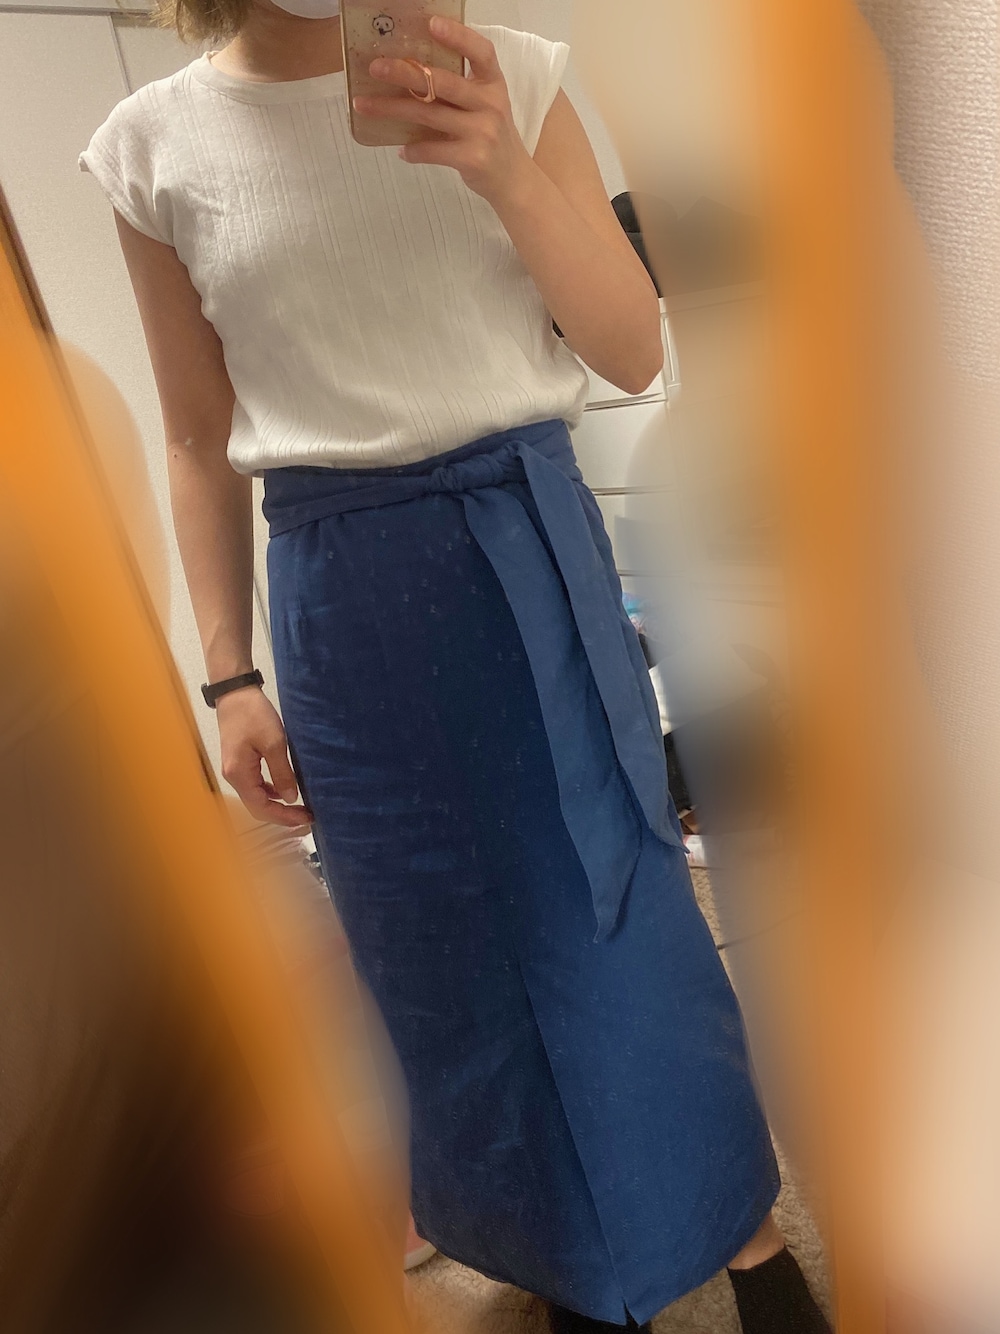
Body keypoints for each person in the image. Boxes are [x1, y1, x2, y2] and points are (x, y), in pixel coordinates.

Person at [81, 4, 831, 1329]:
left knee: (620, 922)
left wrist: (504, 169)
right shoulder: (150, 145)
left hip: (525, 540)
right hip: (340, 593)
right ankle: (570, 1271)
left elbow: (632, 349)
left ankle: (747, 1241)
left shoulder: (517, 75)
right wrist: (227, 673)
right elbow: (196, 435)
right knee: (438, 969)